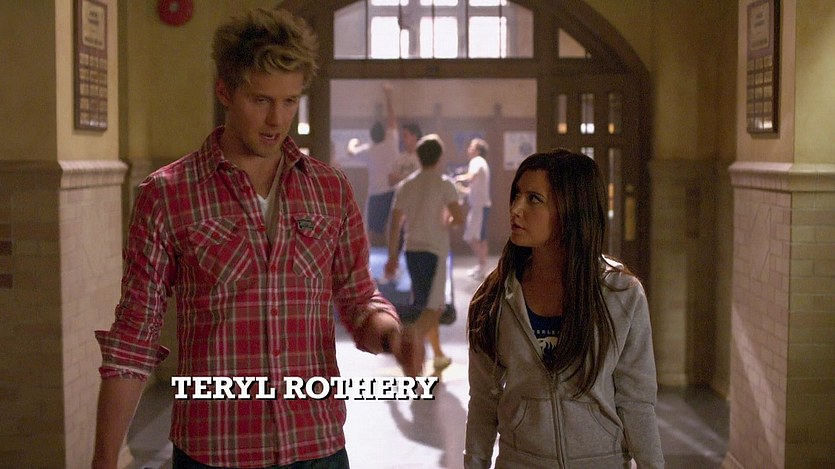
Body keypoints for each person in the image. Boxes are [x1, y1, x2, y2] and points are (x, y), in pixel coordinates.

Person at [92, 8, 423, 469]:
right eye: (261, 100)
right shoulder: (167, 195)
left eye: (289, 101)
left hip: (316, 446)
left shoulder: (329, 189)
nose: (276, 119)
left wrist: (391, 335)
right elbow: (134, 337)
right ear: (224, 92)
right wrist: (104, 459)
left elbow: (357, 296)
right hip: (216, 450)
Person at [464, 149, 664, 468]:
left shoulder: (620, 294)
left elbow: (636, 400)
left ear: (571, 209)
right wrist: (475, 463)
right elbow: (483, 400)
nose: (516, 209)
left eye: (534, 199)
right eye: (517, 195)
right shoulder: (495, 295)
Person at [385, 134, 464, 377]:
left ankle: (438, 355)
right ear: (440, 157)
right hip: (435, 250)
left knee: (425, 305)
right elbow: (459, 218)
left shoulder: (407, 185)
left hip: (412, 251)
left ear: (418, 157)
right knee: (435, 307)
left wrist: (392, 256)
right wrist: (447, 221)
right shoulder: (445, 184)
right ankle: (410, 337)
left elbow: (395, 223)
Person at [364, 83, 401, 242]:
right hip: (392, 191)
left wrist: (352, 143)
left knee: (370, 229)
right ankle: (393, 254)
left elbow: (351, 151)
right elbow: (392, 120)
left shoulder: (368, 150)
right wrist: (388, 96)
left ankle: (365, 256)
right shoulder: (391, 142)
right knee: (392, 226)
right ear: (384, 134)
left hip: (375, 194)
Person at [454, 137, 492, 280]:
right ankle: (481, 265)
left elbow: (471, 177)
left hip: (479, 207)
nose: (468, 149)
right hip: (479, 206)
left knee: (471, 237)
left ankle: (483, 266)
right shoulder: (480, 162)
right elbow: (471, 190)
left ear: (478, 151)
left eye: (471, 147)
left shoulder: (477, 161)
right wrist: (460, 189)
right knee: (480, 238)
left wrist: (458, 178)